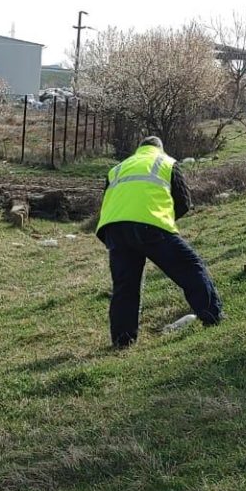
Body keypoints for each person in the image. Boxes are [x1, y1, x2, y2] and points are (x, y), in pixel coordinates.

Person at [96, 136, 223, 348]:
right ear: (160, 149)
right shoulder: (166, 162)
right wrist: (164, 219)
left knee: (125, 287)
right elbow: (184, 202)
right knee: (190, 267)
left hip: (114, 229)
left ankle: (122, 341)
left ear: (139, 149)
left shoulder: (117, 168)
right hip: (150, 226)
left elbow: (110, 201)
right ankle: (212, 315)